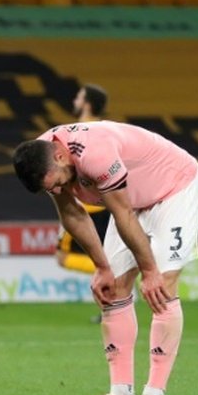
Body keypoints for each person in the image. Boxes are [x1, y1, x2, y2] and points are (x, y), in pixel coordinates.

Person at [13, 121, 198, 395]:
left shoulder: (96, 154)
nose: (58, 189)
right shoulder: (43, 157)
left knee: (162, 286)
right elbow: (72, 213)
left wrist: (150, 271)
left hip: (175, 188)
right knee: (113, 288)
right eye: (49, 189)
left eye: (57, 182)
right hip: (132, 201)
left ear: (61, 156)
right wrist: (102, 267)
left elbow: (123, 213)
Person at [57, 83, 110, 277]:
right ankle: (112, 300)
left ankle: (114, 276)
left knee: (63, 258)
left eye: (79, 97)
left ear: (87, 104)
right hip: (106, 206)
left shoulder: (76, 132)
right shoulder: (105, 130)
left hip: (84, 208)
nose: (75, 101)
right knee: (102, 258)